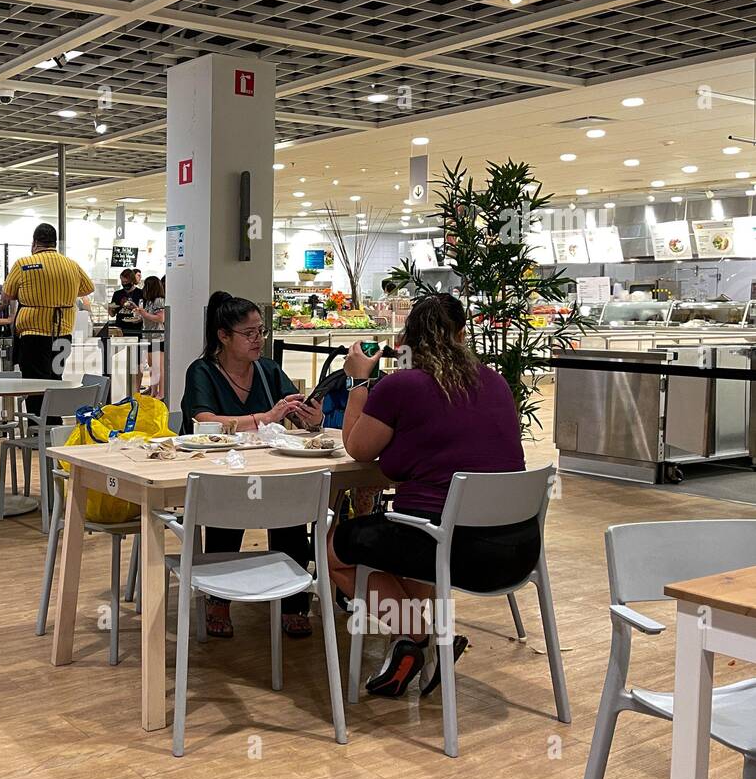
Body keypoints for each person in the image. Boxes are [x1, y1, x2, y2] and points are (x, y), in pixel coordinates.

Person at [328, 293, 535, 698]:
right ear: (462, 335)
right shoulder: (493, 381)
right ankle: (415, 646)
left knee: (333, 551)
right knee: (407, 546)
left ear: (406, 340)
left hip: (452, 548)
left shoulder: (402, 385)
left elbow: (359, 449)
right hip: (519, 548)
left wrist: (357, 381)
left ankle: (421, 638)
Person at [180, 291, 324, 639]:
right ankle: (218, 597)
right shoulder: (202, 371)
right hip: (219, 472)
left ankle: (293, 599)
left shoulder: (268, 371)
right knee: (229, 503)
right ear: (223, 336)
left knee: (291, 502)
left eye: (261, 331)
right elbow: (205, 421)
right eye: (249, 333)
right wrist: (265, 417)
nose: (258, 339)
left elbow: (299, 416)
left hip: (269, 469)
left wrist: (312, 417)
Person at [3, 223, 94, 417]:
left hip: (33, 335)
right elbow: (88, 288)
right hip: (63, 334)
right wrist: (62, 293)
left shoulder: (23, 264)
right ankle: (53, 426)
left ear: (35, 242)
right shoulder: (71, 264)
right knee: (55, 380)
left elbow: (8, 293)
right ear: (55, 243)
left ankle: (39, 431)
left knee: (35, 384)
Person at [108, 269, 143, 333]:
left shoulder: (141, 293)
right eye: (122, 282)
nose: (124, 284)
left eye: (126, 282)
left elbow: (144, 313)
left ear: (132, 281)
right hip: (119, 329)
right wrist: (109, 308)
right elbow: (112, 314)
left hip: (135, 329)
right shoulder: (117, 294)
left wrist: (134, 307)